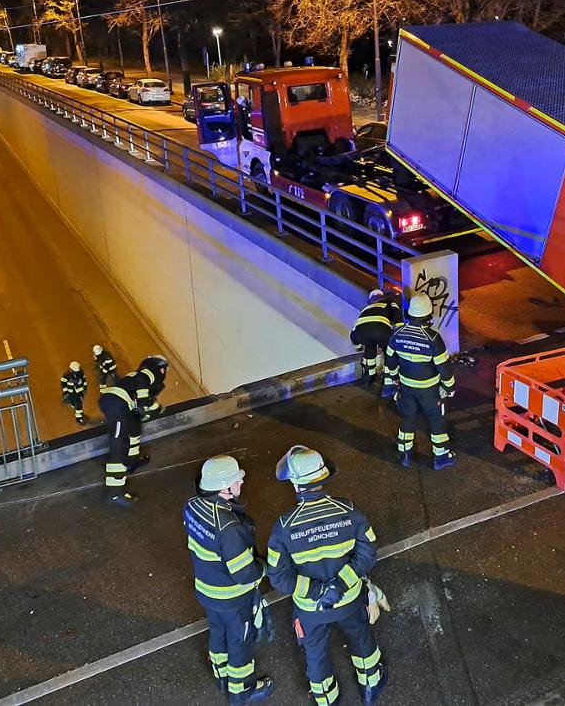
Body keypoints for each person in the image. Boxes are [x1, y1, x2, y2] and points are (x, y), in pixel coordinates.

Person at [267, 446, 387, 706]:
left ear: (296, 484)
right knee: (361, 639)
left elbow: (279, 578)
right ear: (322, 478)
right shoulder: (350, 511)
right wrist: (339, 586)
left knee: (315, 653)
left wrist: (317, 592)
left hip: (311, 609)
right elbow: (367, 556)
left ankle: (326, 698)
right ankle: (371, 686)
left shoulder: (284, 527)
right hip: (349, 600)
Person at [184, 456, 276, 704]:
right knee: (239, 641)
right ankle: (240, 691)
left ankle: (220, 673)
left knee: (217, 631)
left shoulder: (193, 505)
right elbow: (244, 573)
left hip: (206, 590)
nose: (241, 481)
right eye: (238, 479)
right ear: (225, 488)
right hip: (232, 598)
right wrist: (266, 568)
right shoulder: (229, 528)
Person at [381, 293, 456, 470]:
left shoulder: (397, 334)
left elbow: (390, 361)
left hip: (406, 387)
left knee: (408, 418)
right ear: (428, 314)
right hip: (430, 390)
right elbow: (443, 367)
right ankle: (441, 458)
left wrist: (391, 381)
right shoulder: (433, 338)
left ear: (410, 313)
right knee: (436, 421)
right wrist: (449, 386)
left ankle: (405, 455)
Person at [97, 356, 167, 507]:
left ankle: (131, 460)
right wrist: (142, 405)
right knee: (119, 445)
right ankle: (114, 494)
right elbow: (143, 389)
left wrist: (155, 408)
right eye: (163, 369)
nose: (164, 372)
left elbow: (147, 402)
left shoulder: (139, 380)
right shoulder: (147, 373)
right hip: (116, 403)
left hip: (120, 403)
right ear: (159, 368)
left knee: (135, 429)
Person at [350, 289, 403, 384]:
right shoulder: (389, 302)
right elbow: (398, 318)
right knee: (389, 352)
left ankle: (369, 377)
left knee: (369, 347)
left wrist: (358, 347)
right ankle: (388, 382)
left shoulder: (365, 309)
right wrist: (399, 334)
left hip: (362, 333)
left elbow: (354, 333)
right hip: (381, 330)